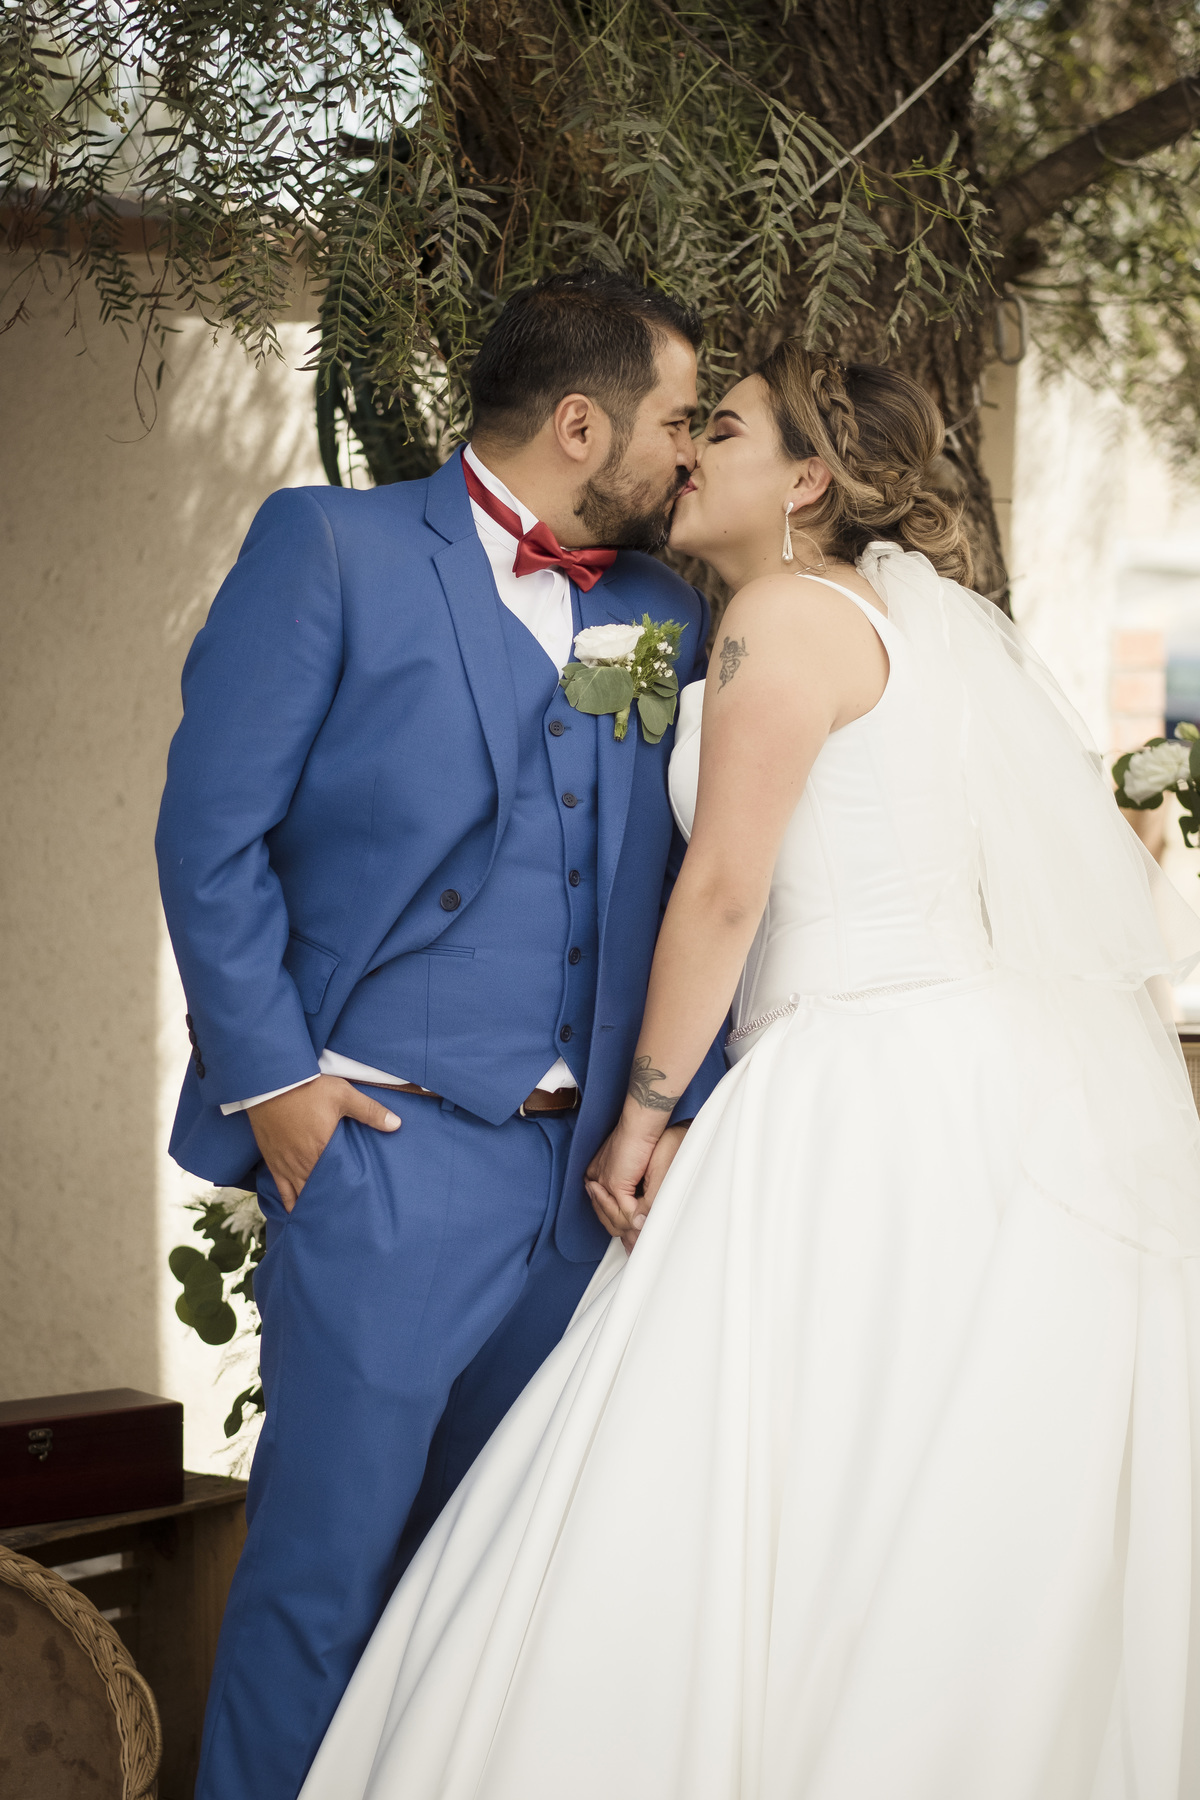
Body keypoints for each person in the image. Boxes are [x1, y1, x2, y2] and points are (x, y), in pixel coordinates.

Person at [299, 343, 1200, 1800]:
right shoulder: (906, 624)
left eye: (721, 428)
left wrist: (641, 1119)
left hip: (852, 1081)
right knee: (896, 1483)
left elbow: (723, 889)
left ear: (808, 479)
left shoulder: (781, 614)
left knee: (758, 1464)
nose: (690, 451)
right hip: (967, 1081)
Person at [155, 266, 728, 1800]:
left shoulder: (657, 607)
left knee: (494, 1615)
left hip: (581, 1202)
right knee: (322, 1588)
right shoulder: (329, 548)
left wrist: (673, 1115)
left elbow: (656, 862)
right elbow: (210, 840)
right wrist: (277, 1084)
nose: (694, 451)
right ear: (581, 420)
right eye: (678, 419)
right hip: (386, 1156)